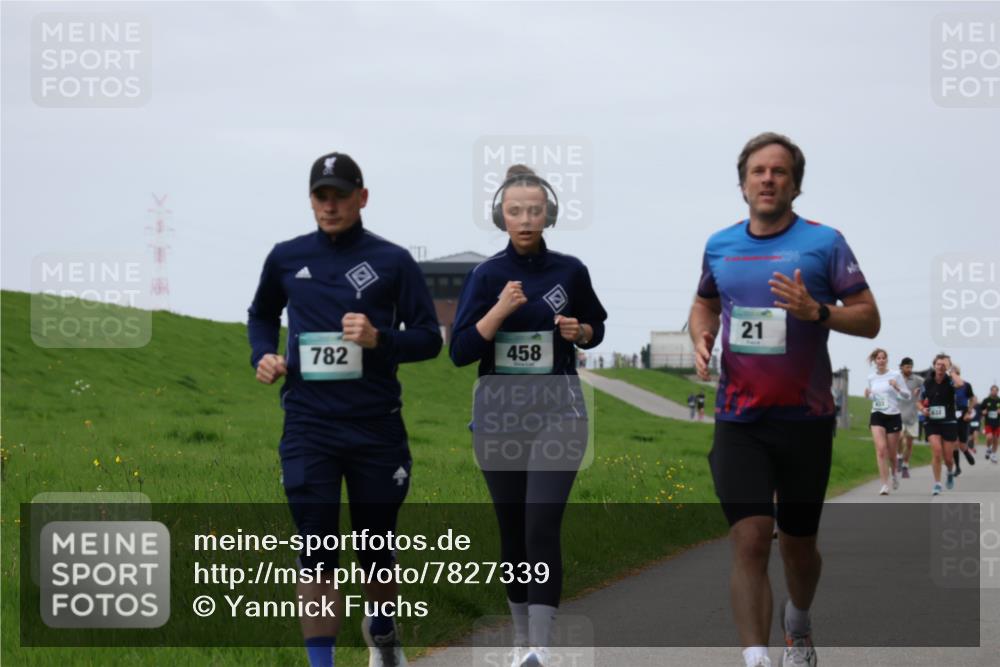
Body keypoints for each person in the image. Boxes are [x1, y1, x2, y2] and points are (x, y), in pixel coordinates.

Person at [689, 133, 879, 667]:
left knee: (797, 544)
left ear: (795, 183)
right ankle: (756, 658)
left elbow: (868, 317)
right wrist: (700, 335)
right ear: (743, 182)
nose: (767, 179)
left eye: (779, 171)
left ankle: (798, 619)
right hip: (739, 419)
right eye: (758, 171)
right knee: (750, 538)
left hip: (806, 419)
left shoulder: (825, 243)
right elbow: (703, 303)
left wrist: (817, 311)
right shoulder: (720, 245)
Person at [248, 152, 443, 667]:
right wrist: (262, 354)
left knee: (376, 548)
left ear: (362, 197)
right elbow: (261, 314)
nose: (329, 205)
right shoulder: (286, 257)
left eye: (339, 195)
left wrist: (380, 338)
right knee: (316, 550)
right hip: (309, 424)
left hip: (375, 426)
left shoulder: (393, 260)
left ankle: (382, 632)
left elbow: (429, 339)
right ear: (310, 199)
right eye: (320, 195)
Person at [450, 164, 607, 667]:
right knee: (513, 529)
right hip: (499, 418)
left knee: (541, 522)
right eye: (515, 210)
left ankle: (542, 644)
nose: (525, 218)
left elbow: (597, 326)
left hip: (560, 412)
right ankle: (521, 643)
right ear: (501, 215)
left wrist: (579, 332)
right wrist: (498, 311)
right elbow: (459, 351)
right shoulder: (486, 275)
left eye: (534, 210)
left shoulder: (571, 271)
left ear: (550, 214)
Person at [864, 349, 910, 495]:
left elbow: (907, 395)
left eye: (883, 358)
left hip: (893, 415)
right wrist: (868, 395)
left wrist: (896, 387)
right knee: (881, 450)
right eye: (878, 358)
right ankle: (884, 484)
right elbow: (876, 397)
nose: (881, 360)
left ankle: (894, 474)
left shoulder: (895, 375)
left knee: (891, 453)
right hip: (877, 414)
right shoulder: (871, 378)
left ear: (887, 360)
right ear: (875, 361)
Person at [920, 354, 964, 495]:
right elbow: (918, 400)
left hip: (949, 422)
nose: (940, 366)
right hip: (932, 422)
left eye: (943, 364)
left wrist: (951, 369)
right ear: (934, 365)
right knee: (937, 451)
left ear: (947, 367)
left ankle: (950, 472)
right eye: (938, 364)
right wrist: (922, 409)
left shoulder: (951, 381)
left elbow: (960, 384)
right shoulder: (927, 382)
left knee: (949, 458)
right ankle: (937, 483)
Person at [896, 357, 925, 479]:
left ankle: (906, 466)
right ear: (901, 367)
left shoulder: (918, 380)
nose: (909, 369)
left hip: (912, 416)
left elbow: (928, 386)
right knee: (900, 437)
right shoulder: (896, 379)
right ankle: (899, 457)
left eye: (911, 367)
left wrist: (921, 389)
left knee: (909, 444)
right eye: (907, 366)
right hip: (898, 414)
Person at [950, 364, 977, 475]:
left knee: (962, 445)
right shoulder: (948, 386)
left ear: (958, 374)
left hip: (963, 415)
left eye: (955, 373)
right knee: (954, 443)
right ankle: (957, 467)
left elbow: (973, 399)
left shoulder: (966, 385)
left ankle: (966, 451)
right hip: (951, 415)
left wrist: (969, 412)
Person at [981, 384, 1000, 464]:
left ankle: (994, 455)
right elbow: (980, 410)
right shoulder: (986, 400)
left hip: (997, 423)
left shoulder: (999, 400)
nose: (994, 392)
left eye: (996, 390)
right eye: (993, 390)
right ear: (991, 391)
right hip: (988, 423)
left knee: (996, 439)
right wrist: (983, 412)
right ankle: (988, 448)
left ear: (998, 391)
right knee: (989, 437)